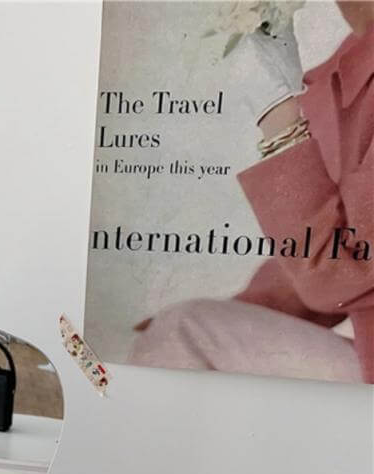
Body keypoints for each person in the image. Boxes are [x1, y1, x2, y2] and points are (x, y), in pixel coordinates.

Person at [129, 2, 374, 383]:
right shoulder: (352, 61)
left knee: (182, 332)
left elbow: (341, 272)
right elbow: (339, 241)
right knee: (175, 335)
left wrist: (279, 120)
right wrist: (244, 312)